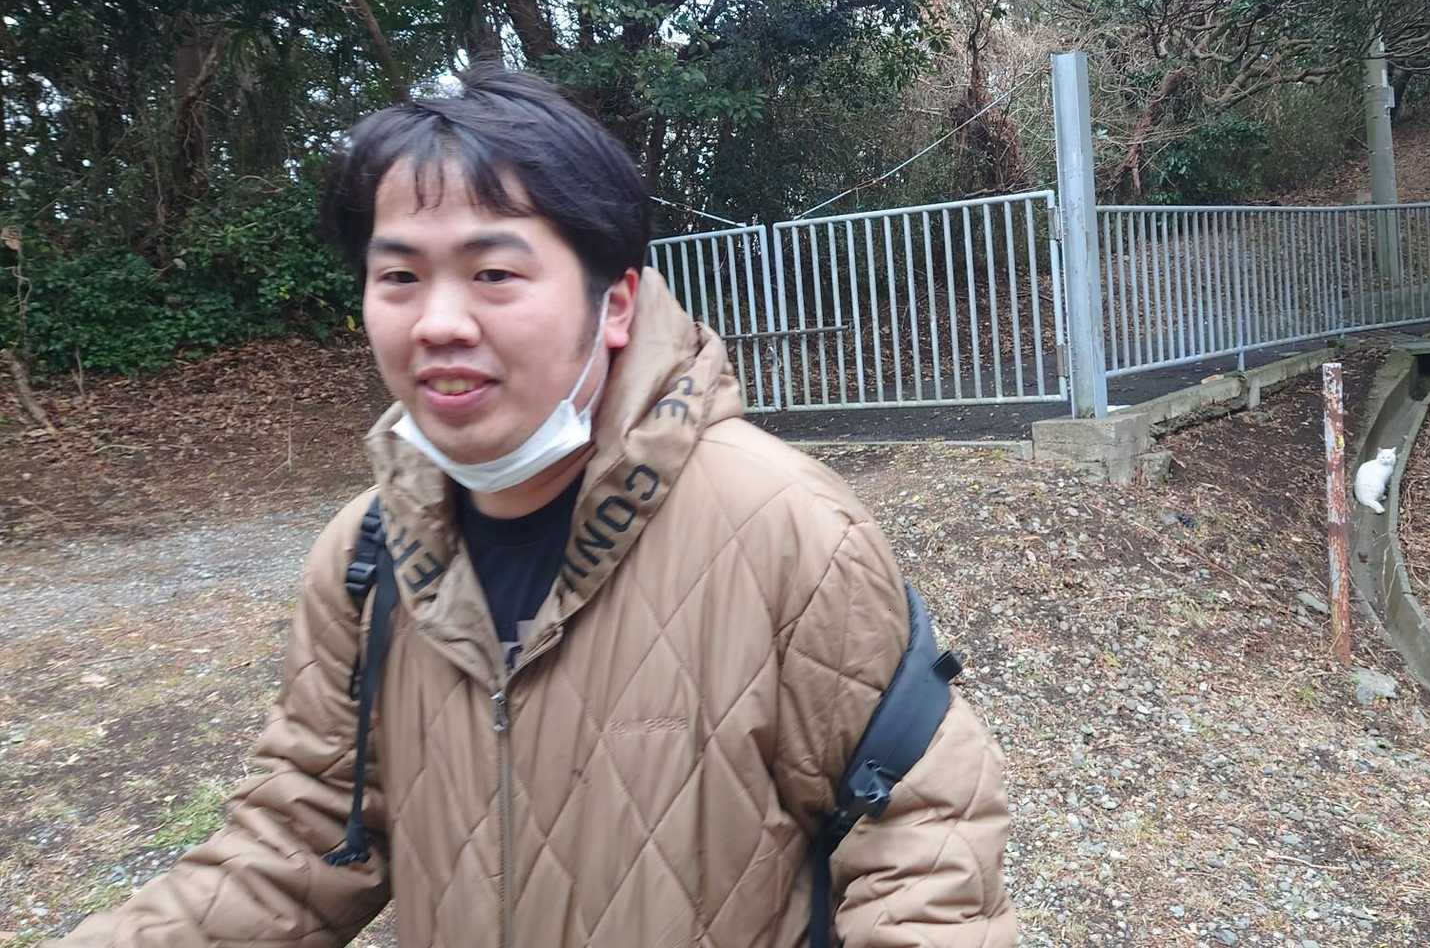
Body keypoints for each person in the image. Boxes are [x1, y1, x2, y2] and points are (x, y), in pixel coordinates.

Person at [53, 65, 1016, 948]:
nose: (438, 322)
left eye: (494, 274)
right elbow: (303, 835)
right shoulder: (365, 553)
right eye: (399, 276)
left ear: (616, 305)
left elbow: (923, 841)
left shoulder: (786, 527)